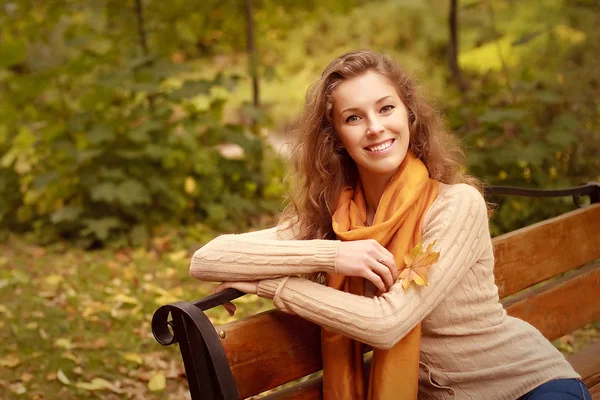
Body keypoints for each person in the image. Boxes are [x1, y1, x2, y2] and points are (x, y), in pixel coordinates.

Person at [189, 50, 591, 400]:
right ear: (336, 138)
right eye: (353, 117)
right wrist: (335, 254)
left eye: (386, 108)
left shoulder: (454, 206)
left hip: (530, 386)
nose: (375, 127)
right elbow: (208, 259)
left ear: (410, 116)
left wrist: (268, 283)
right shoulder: (336, 218)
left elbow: (388, 323)